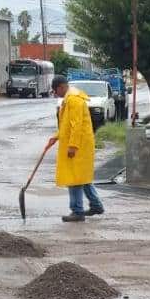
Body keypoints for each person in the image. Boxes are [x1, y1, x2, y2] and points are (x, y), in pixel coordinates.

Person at [46, 75, 102, 223]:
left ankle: (77, 211)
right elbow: (66, 125)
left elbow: (76, 126)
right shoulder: (70, 99)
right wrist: (56, 136)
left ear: (61, 87)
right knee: (81, 177)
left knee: (74, 178)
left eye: (55, 91)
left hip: (79, 145)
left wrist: (73, 146)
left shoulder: (74, 101)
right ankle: (96, 205)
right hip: (80, 144)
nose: (55, 94)